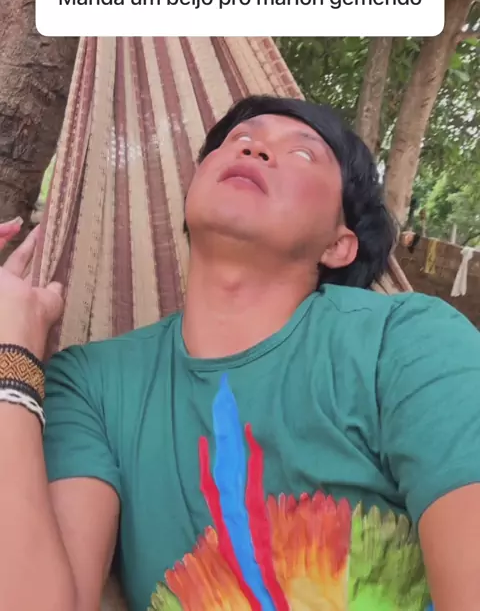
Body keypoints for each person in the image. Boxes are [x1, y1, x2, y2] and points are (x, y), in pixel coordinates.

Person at [0, 94, 479, 611]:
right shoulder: (93, 383)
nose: (255, 151)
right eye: (238, 141)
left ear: (339, 244)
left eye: (302, 153)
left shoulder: (404, 342)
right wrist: (10, 354)